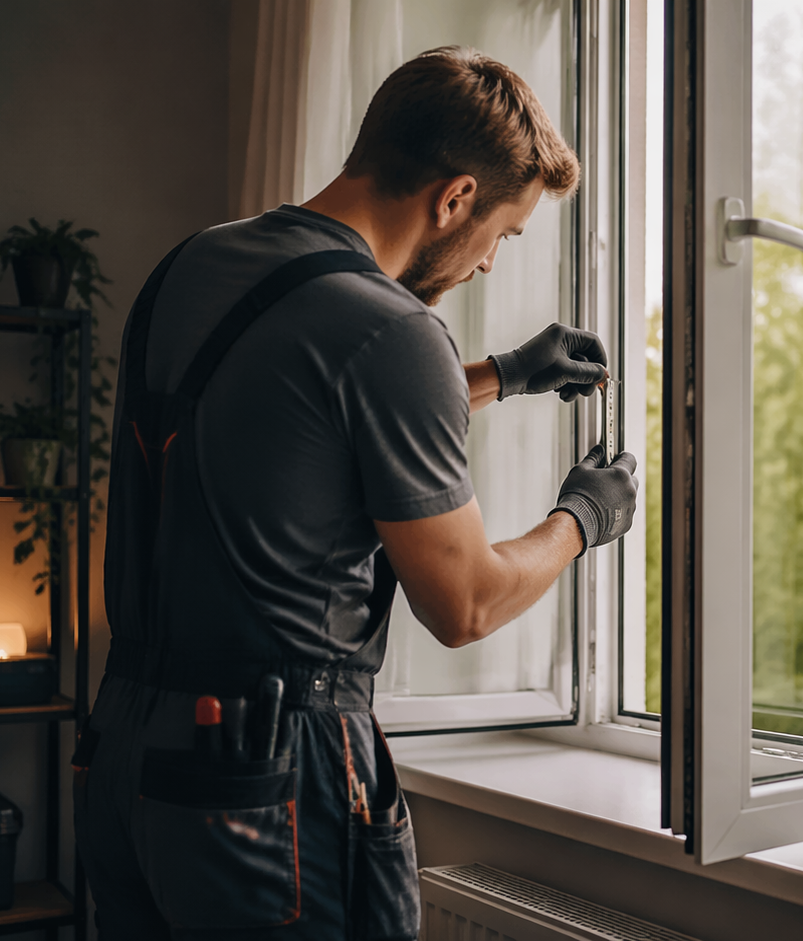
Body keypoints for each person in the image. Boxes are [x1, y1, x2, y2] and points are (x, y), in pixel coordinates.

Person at [73, 46, 637, 940]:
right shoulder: (392, 329)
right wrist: (583, 517)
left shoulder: (195, 264)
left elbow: (296, 408)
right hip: (270, 777)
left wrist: (507, 373)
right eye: (505, 232)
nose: (491, 261)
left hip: (126, 759)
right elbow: (466, 603)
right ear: (453, 198)